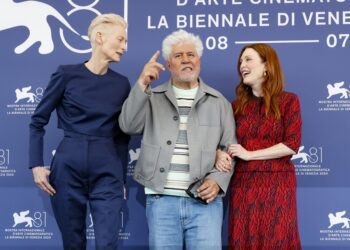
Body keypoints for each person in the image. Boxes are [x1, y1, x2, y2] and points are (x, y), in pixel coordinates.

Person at [119, 29, 236, 250]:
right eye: (178, 56)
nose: (186, 60)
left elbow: (229, 149)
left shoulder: (218, 102)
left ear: (199, 60)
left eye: (190, 55)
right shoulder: (152, 97)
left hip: (206, 203)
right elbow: (128, 125)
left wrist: (217, 181)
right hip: (161, 201)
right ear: (168, 64)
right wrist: (143, 82)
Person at [29, 14, 130, 250]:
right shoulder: (66, 74)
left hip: (108, 169)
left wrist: (121, 178)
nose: (124, 47)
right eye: (120, 39)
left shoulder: (122, 83)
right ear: (99, 37)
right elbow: (37, 121)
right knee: (73, 243)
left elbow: (123, 136)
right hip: (68, 167)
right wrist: (36, 165)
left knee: (107, 243)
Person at [216, 43, 302, 249]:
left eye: (248, 59)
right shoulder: (235, 106)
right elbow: (222, 141)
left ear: (266, 66)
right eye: (240, 61)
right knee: (244, 238)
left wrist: (249, 154)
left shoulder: (289, 101)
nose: (241, 65)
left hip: (278, 184)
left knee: (277, 239)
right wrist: (219, 153)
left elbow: (291, 144)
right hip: (243, 184)